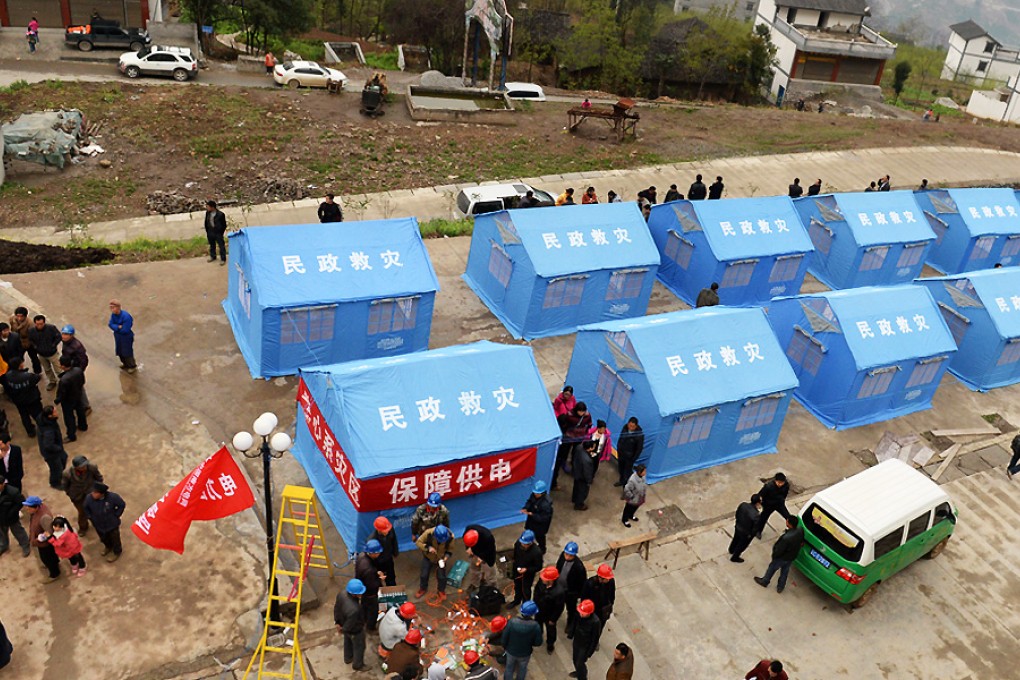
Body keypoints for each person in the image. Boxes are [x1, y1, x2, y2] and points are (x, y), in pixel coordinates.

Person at [754, 515, 804, 593]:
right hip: (791, 557)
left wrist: (774, 556)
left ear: (789, 524)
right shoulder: (800, 531)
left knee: (772, 568)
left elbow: (779, 550)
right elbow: (801, 543)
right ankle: (780, 587)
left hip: (782, 558)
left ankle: (765, 581)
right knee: (785, 571)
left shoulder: (786, 538)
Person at [553, 402, 591, 490]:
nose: (581, 413)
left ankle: (573, 466)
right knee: (564, 453)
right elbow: (565, 425)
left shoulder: (587, 416)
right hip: (569, 437)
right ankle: (563, 463)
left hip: (579, 438)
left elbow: (589, 424)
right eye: (580, 411)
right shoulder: (569, 416)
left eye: (583, 411)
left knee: (576, 452)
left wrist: (585, 433)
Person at [83, 482, 125, 562]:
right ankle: (108, 547)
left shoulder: (113, 497)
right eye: (93, 491)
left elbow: (121, 505)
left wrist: (116, 515)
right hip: (98, 524)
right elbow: (85, 508)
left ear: (101, 494)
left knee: (115, 539)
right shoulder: (89, 498)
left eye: (95, 492)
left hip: (111, 524)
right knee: (103, 538)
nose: (93, 494)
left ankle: (117, 552)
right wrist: (90, 517)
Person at [61, 455, 103, 535]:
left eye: (85, 465)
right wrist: (70, 493)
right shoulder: (67, 473)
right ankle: (83, 527)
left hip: (91, 492)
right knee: (82, 512)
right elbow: (65, 486)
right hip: (77, 496)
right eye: (82, 467)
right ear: (76, 467)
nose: (84, 468)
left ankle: (98, 523)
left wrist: (98, 490)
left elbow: (99, 478)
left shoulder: (92, 468)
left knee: (95, 509)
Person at [1, 357, 42, 436]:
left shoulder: (7, 376)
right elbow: (37, 378)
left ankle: (30, 431)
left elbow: (7, 388)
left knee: (24, 416)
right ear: (19, 365)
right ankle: (43, 428)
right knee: (38, 415)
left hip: (18, 400)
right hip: (32, 399)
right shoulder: (28, 376)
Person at [502, 600, 543, 680]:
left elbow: (504, 637)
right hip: (525, 653)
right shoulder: (535, 626)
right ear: (533, 614)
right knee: (522, 669)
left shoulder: (512, 622)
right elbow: (538, 642)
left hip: (511, 651)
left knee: (509, 668)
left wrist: (505, 647)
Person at [24, 496, 60, 582]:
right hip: (40, 541)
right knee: (51, 557)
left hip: (45, 544)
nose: (27, 509)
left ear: (36, 507)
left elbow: (49, 531)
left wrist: (39, 539)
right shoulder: (36, 512)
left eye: (29, 507)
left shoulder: (44, 517)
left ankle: (54, 574)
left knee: (47, 558)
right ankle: (55, 563)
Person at [335, 578, 368, 671]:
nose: (361, 594)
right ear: (354, 594)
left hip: (343, 624)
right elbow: (350, 625)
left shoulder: (341, 594)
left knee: (347, 642)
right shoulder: (355, 609)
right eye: (360, 593)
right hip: (355, 630)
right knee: (359, 647)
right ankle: (358, 665)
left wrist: (337, 622)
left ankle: (348, 657)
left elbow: (336, 608)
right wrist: (343, 630)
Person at [556, 542, 587, 636]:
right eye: (566, 554)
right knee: (557, 604)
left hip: (570, 593)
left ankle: (570, 623)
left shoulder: (579, 567)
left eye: (570, 555)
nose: (567, 557)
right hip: (559, 587)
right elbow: (558, 567)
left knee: (571, 609)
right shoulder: (562, 556)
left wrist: (577, 595)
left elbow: (582, 583)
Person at [532, 566, 565, 654]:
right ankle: (538, 637)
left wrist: (553, 619)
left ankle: (550, 644)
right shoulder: (541, 583)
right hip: (538, 611)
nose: (542, 579)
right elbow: (536, 593)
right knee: (538, 626)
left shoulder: (559, 592)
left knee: (551, 631)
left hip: (549, 615)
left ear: (551, 580)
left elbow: (559, 608)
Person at [415, 524, 452, 600]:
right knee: (424, 575)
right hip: (428, 557)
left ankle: (441, 590)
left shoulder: (450, 537)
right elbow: (418, 542)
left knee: (442, 576)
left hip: (440, 558)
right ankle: (423, 588)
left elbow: (450, 549)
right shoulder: (428, 533)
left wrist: (445, 558)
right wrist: (428, 548)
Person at [355, 540, 386, 631]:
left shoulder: (361, 556)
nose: (379, 554)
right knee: (373, 611)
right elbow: (373, 586)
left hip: (363, 589)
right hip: (370, 594)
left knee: (364, 606)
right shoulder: (369, 570)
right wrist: (380, 579)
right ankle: (370, 627)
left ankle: (364, 618)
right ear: (373, 553)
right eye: (378, 552)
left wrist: (376, 573)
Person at [55, 356, 87, 441]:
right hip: (78, 395)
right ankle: (83, 426)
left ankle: (71, 435)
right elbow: (83, 381)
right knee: (80, 411)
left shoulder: (64, 380)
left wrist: (57, 400)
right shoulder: (78, 370)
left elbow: (62, 393)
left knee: (69, 417)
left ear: (62, 366)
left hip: (68, 400)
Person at [581, 564, 615, 642]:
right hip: (592, 611)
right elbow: (584, 598)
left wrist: (609, 606)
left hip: (603, 611)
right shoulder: (590, 584)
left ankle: (595, 641)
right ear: (600, 578)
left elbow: (612, 595)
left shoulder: (611, 582)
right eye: (606, 578)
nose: (608, 580)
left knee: (599, 628)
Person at [59, 325, 89, 411]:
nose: (63, 336)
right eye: (63, 334)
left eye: (66, 334)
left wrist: (79, 371)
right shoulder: (66, 342)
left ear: (71, 335)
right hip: (69, 368)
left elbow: (84, 360)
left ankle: (86, 406)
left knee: (79, 388)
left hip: (76, 370)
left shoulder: (77, 346)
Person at [36, 406, 67, 489]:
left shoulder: (45, 420)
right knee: (56, 468)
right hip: (51, 454)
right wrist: (58, 448)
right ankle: (55, 483)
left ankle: (59, 475)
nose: (57, 413)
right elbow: (48, 445)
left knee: (64, 458)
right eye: (55, 412)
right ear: (50, 416)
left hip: (55, 450)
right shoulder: (48, 431)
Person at [28, 315, 61, 389]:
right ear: (35, 323)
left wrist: (53, 345)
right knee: (47, 369)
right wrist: (36, 347)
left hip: (53, 354)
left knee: (58, 369)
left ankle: (62, 382)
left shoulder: (51, 328)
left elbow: (58, 337)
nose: (39, 326)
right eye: (37, 324)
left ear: (44, 323)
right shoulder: (31, 331)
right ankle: (52, 381)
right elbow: (31, 340)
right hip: (41, 354)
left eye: (41, 324)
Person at [754, 472, 791, 539]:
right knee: (763, 518)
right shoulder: (768, 487)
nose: (780, 484)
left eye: (781, 483)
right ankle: (758, 531)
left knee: (788, 517)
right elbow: (760, 495)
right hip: (769, 505)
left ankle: (791, 530)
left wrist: (782, 500)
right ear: (775, 480)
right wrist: (761, 504)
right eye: (778, 482)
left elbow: (785, 495)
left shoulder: (786, 486)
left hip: (779, 504)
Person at [0, 476, 30, 557]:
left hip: (11, 517)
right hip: (0, 518)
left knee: (18, 531)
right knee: (2, 533)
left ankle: (25, 545)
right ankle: (3, 545)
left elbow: (21, 502)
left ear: (3, 484)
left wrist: (12, 512)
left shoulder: (13, 492)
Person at [463, 524, 498, 592]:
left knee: (490, 573)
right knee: (474, 569)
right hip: (474, 552)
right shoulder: (468, 530)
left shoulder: (488, 537)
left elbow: (490, 550)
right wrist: (468, 548)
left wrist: (482, 558)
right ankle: (475, 584)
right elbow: (466, 541)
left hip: (487, 555)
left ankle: (493, 588)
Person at [571, 600, 600, 680]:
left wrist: (589, 653)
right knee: (575, 659)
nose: (581, 614)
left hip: (584, 646)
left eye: (583, 613)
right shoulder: (579, 615)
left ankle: (582, 677)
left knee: (580, 663)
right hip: (577, 641)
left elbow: (595, 639)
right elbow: (575, 623)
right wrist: (571, 633)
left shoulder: (595, 622)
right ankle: (579, 671)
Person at [511, 530, 543, 606]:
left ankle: (526, 605)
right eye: (522, 543)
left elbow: (538, 567)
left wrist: (527, 570)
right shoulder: (518, 544)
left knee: (526, 591)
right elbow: (515, 556)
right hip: (517, 571)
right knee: (517, 587)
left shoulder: (536, 552)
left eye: (525, 544)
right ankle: (516, 601)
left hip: (528, 575)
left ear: (531, 543)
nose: (523, 545)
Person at [521, 481, 553, 554]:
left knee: (540, 537)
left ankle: (542, 549)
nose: (535, 494)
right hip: (531, 521)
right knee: (529, 533)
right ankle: (529, 545)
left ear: (542, 493)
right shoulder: (533, 495)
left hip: (540, 525)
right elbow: (529, 502)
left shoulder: (546, 504)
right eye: (535, 493)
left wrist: (532, 515)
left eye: (537, 493)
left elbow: (544, 518)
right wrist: (526, 508)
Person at [729, 493, 762, 563]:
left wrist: (738, 522)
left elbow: (737, 514)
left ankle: (731, 549)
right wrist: (751, 535)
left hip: (738, 527)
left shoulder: (743, 505)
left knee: (735, 539)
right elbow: (755, 529)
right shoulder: (756, 515)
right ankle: (735, 557)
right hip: (745, 533)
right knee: (741, 545)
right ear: (758, 503)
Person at [369, 515, 400, 585]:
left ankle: (392, 589)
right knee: (377, 581)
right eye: (385, 531)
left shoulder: (390, 530)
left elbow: (394, 541)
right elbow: (370, 556)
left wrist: (395, 552)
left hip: (388, 559)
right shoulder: (372, 540)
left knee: (391, 578)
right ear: (378, 530)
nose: (387, 532)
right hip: (378, 562)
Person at [108, 299, 136, 372]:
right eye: (111, 308)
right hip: (118, 337)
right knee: (120, 351)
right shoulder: (113, 315)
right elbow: (110, 324)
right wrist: (118, 327)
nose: (111, 310)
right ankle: (125, 364)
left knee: (127, 352)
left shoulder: (126, 317)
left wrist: (116, 328)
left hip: (126, 337)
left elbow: (125, 330)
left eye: (113, 308)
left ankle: (132, 366)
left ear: (118, 307)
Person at [10, 307, 41, 374]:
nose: (19, 318)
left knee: (34, 358)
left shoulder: (30, 324)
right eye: (18, 316)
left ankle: (37, 372)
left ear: (25, 316)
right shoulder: (12, 319)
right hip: (18, 342)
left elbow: (33, 335)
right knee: (18, 358)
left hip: (28, 342)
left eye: (21, 316)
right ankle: (18, 372)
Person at [614, 418, 643, 488]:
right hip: (621, 454)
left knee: (627, 474)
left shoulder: (639, 435)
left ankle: (626, 488)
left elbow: (639, 449)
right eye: (629, 425)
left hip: (629, 458)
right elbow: (620, 439)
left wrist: (633, 459)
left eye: (633, 426)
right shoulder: (625, 428)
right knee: (621, 469)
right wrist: (618, 449)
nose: (630, 428)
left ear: (636, 426)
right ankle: (621, 481)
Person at [571, 440, 598, 511]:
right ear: (590, 448)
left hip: (576, 472)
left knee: (576, 488)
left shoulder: (579, 447)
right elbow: (587, 472)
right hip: (582, 477)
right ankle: (579, 505)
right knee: (582, 492)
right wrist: (589, 481)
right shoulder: (587, 460)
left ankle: (574, 499)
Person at [204, 200, 228, 264]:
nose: (207, 208)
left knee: (221, 246)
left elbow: (224, 225)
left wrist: (221, 232)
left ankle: (223, 259)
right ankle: (213, 256)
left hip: (218, 232)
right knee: (212, 245)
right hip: (210, 232)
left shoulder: (220, 214)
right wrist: (208, 231)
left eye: (208, 207)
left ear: (212, 207)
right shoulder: (207, 213)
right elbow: (206, 223)